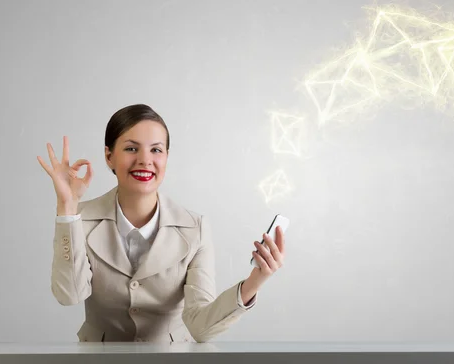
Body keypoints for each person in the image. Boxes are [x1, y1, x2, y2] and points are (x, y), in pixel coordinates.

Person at [37, 104, 286, 343]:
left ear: (167, 157)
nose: (145, 160)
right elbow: (69, 295)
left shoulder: (195, 228)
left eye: (156, 150)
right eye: (131, 149)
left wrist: (255, 280)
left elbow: (200, 327)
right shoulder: (79, 219)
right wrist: (67, 207)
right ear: (109, 156)